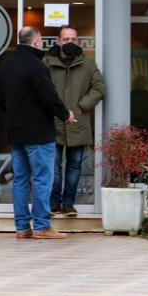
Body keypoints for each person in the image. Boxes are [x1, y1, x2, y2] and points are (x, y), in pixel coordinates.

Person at [0, 27, 75, 240]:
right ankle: (41, 226)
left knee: (21, 179)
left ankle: (22, 227)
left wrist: (12, 119)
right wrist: (64, 113)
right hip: (38, 133)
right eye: (40, 41)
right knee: (42, 179)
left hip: (15, 132)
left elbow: (0, 101)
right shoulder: (36, 65)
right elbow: (48, 96)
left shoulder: (6, 65)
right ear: (36, 42)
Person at [44, 26, 105, 217]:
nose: (70, 42)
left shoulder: (88, 63)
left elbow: (99, 88)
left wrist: (80, 107)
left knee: (74, 166)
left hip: (77, 123)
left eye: (73, 39)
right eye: (66, 39)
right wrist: (53, 109)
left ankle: (68, 203)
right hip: (52, 123)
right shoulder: (46, 62)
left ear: (77, 41)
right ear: (58, 41)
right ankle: (54, 203)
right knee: (53, 167)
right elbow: (39, 89)